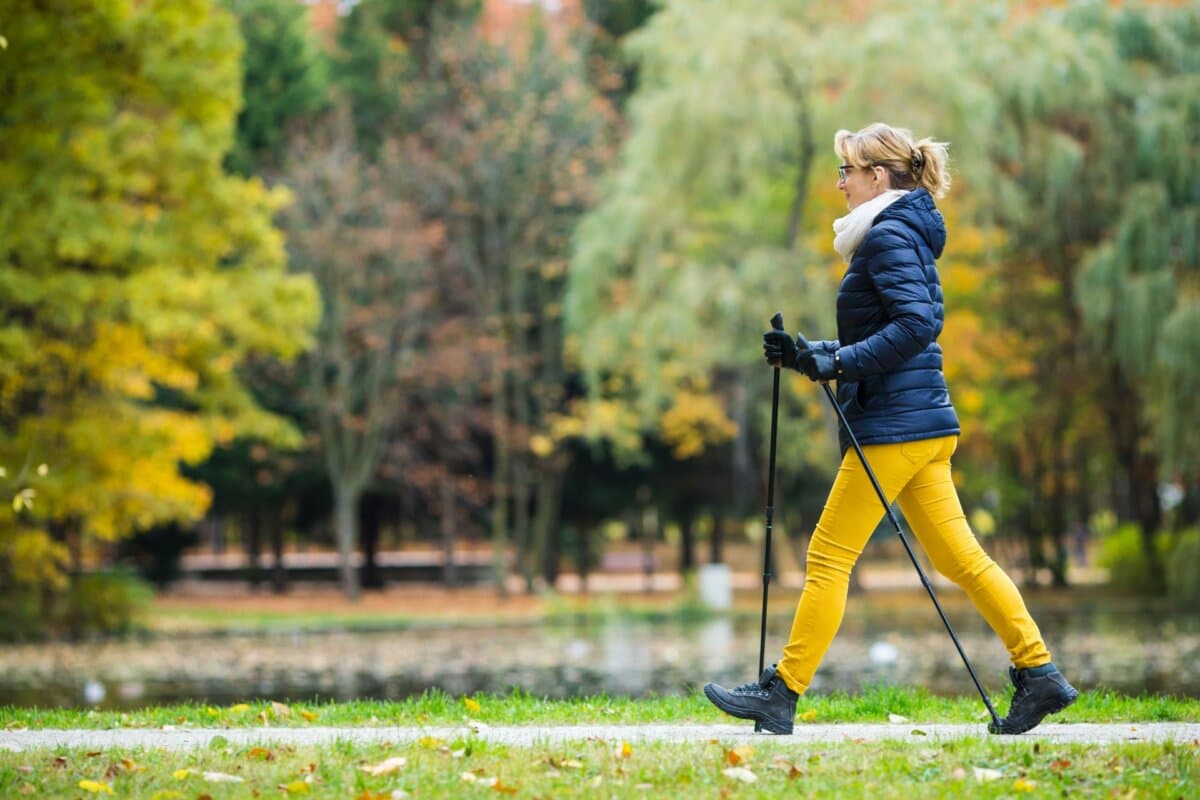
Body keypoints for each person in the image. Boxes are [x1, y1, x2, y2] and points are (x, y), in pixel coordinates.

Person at [703, 122, 1078, 736]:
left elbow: (915, 325)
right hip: (920, 421)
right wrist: (809, 354)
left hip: (896, 426)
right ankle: (1039, 673)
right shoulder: (898, 232)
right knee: (962, 559)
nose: (839, 182)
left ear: (878, 176)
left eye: (846, 170)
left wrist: (840, 360)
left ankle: (783, 692)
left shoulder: (887, 235)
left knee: (827, 556)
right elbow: (887, 329)